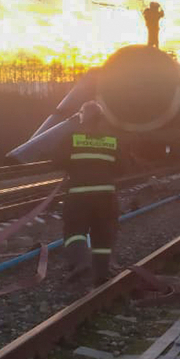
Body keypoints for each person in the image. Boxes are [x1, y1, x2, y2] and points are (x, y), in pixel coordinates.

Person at [59, 101, 123, 285]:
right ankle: (102, 273)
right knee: (103, 234)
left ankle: (81, 262)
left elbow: (57, 161)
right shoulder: (111, 140)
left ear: (82, 118)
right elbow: (122, 167)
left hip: (78, 195)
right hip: (106, 196)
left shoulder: (72, 138)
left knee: (74, 231)